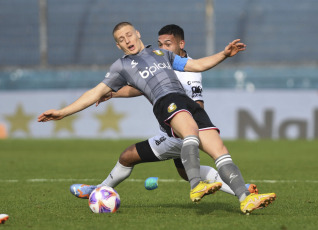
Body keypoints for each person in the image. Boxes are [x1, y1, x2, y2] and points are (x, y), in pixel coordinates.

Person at [38, 22, 275, 214]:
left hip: (186, 102)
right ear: (118, 46)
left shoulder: (161, 53)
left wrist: (224, 54)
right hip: (165, 103)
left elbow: (196, 65)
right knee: (189, 132)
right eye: (121, 40)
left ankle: (245, 198)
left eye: (129, 35)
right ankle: (196, 186)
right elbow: (95, 93)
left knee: (219, 149)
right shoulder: (120, 67)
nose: (127, 41)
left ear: (138, 33)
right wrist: (62, 112)